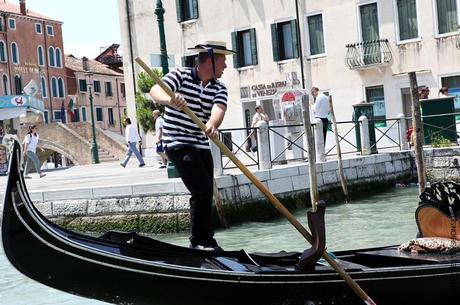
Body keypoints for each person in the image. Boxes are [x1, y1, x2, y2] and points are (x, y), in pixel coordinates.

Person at [149, 40, 235, 251]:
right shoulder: (181, 75)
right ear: (211, 61)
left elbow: (218, 109)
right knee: (201, 188)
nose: (225, 66)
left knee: (207, 191)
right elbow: (155, 91)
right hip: (178, 142)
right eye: (223, 61)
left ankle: (206, 239)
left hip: (201, 144)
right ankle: (199, 241)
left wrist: (212, 124)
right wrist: (170, 100)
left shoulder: (219, 87)